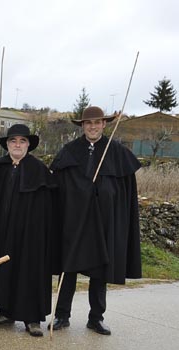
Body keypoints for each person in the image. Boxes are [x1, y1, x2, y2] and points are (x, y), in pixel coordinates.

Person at [49, 106, 141, 335]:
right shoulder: (69, 152)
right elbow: (58, 188)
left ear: (104, 124)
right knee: (67, 268)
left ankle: (96, 317)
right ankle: (62, 315)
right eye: (88, 123)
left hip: (103, 222)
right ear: (82, 126)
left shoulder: (117, 152)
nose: (93, 127)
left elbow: (124, 192)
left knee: (101, 270)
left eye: (97, 122)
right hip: (73, 220)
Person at [0, 124, 56, 337]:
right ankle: (5, 311)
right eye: (13, 141)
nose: (17, 145)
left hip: (30, 235)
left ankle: (33, 319)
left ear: (28, 145)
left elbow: (48, 207)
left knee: (29, 273)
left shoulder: (39, 170)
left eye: (22, 141)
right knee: (4, 271)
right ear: (6, 144)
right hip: (2, 232)